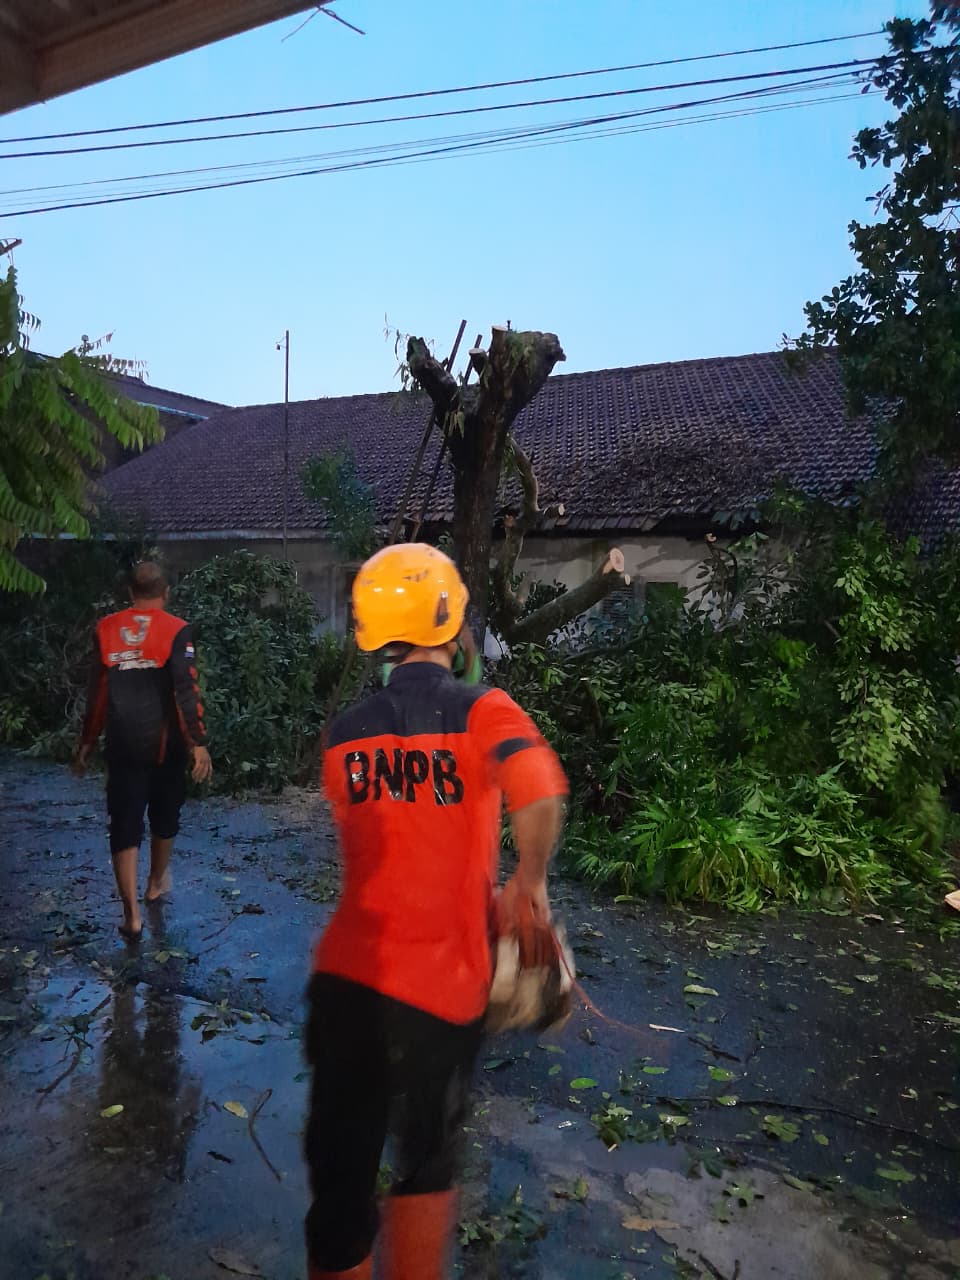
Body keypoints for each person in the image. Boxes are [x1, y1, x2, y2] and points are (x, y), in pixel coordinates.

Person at [304, 543, 568, 1280]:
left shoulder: (344, 735)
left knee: (342, 1179)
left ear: (375, 632)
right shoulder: (484, 709)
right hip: (439, 989)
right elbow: (540, 792)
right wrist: (529, 881)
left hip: (347, 983)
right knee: (424, 1162)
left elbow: (378, 846)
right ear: (452, 625)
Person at [75, 561, 212, 940]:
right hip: (165, 747)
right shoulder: (177, 630)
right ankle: (154, 883)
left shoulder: (105, 629)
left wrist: (87, 740)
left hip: (122, 746)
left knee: (124, 825)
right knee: (165, 817)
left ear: (129, 593)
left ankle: (131, 915)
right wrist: (197, 742)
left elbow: (98, 694)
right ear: (166, 592)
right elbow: (186, 691)